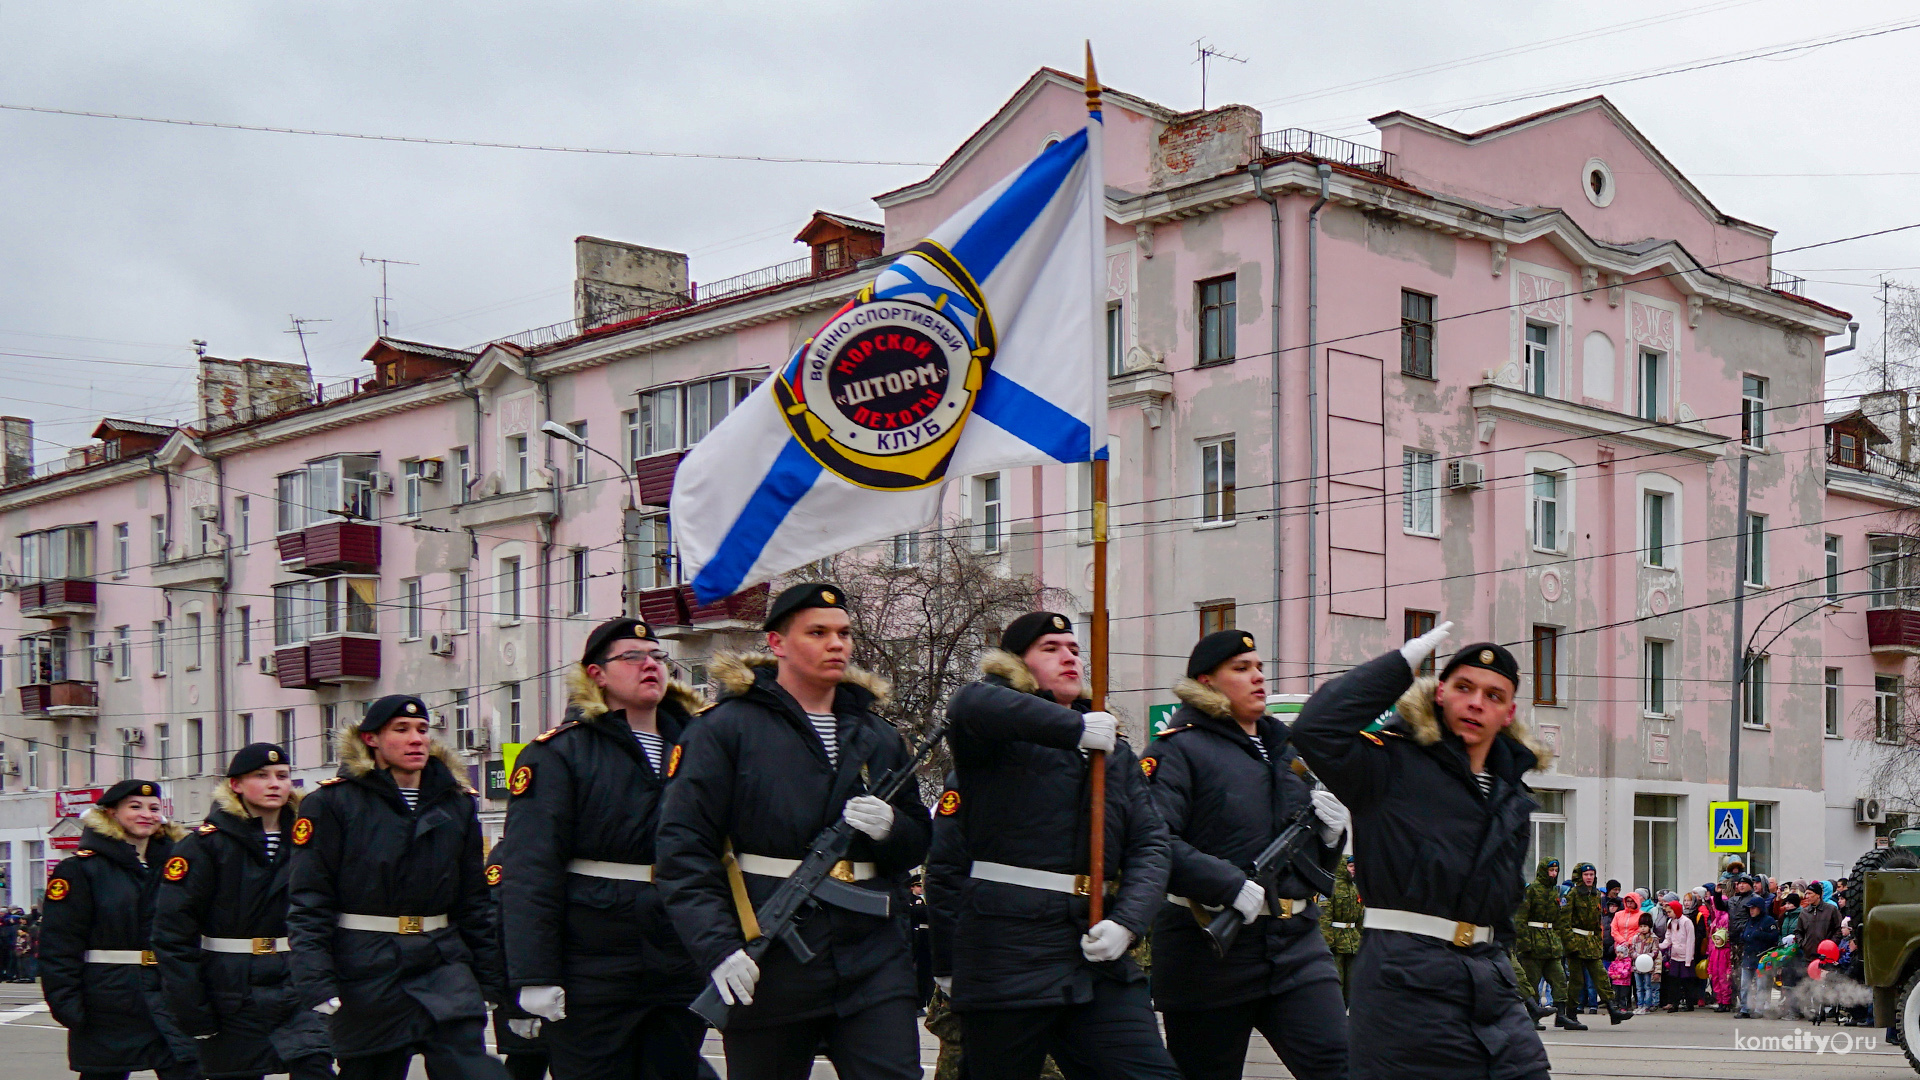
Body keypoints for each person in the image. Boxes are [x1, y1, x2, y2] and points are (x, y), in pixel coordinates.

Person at [656, 583, 932, 1080]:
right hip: (772, 951)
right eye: (818, 632)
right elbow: (683, 852)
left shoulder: (878, 734)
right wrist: (718, 947)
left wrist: (892, 829)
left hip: (872, 956)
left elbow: (918, 841)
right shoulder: (725, 729)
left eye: (844, 633)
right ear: (778, 643)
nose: (837, 645)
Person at [1290, 622, 1551, 1080]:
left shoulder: (1512, 794)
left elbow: (1502, 905)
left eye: (1493, 695)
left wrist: (1505, 976)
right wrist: (1400, 665)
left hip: (1488, 985)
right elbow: (1315, 729)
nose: (1476, 702)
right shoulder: (1388, 764)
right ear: (1438, 693)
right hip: (1404, 982)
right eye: (1464, 687)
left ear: (1508, 714)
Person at [935, 610, 1176, 1080]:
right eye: (1050, 649)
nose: (1069, 657)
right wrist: (1072, 729)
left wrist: (1128, 923)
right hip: (1009, 955)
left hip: (1093, 954)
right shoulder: (992, 737)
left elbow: (1151, 845)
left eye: (1074, 650)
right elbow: (969, 705)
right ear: (1016, 666)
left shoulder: (1114, 754)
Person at [501, 617, 707, 1080]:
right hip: (593, 962)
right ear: (596, 674)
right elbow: (531, 873)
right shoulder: (559, 753)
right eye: (632, 657)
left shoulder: (697, 747)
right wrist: (533, 974)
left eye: (657, 656)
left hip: (677, 952)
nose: (649, 665)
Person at [1144, 629, 1349, 1080]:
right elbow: (1153, 842)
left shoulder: (1285, 752)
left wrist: (1332, 840)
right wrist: (1227, 883)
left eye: (1258, 666)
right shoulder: (1177, 749)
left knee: (1342, 1066)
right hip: (1210, 953)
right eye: (1241, 668)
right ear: (1207, 682)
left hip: (1297, 945)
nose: (1258, 676)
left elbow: (1306, 864)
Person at [288, 694, 507, 1080]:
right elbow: (310, 900)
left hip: (441, 961)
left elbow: (474, 899)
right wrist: (316, 980)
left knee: (473, 1070)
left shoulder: (456, 804)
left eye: (422, 730)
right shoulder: (332, 803)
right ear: (372, 739)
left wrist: (489, 976)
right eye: (401, 730)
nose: (416, 739)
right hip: (368, 968)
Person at [153, 743, 333, 1080]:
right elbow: (173, 935)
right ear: (235, 785)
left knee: (315, 1066)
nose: (275, 783)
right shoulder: (203, 846)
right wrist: (192, 1007)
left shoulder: (309, 839)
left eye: (282, 776)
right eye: (261, 776)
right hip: (230, 985)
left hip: (294, 978)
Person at [40, 779, 200, 1080]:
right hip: (108, 1000)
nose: (146, 814)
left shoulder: (176, 867)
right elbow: (59, 943)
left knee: (187, 1070)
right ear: (111, 813)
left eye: (154, 808)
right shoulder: (80, 870)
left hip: (168, 994)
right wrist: (67, 1003)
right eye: (135, 807)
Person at [487, 839, 550, 1080]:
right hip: (523, 993)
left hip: (573, 992)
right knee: (526, 1065)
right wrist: (515, 1007)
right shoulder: (510, 852)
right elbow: (498, 931)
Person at [1514, 858, 1579, 1030]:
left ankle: (1562, 1015)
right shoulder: (1532, 890)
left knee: (1559, 979)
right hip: (1534, 942)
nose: (1554, 874)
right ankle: (1532, 1016)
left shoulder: (1554, 892)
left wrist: (1559, 941)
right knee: (1532, 980)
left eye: (1556, 871)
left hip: (1550, 943)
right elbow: (1521, 919)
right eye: (1551, 870)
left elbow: (1557, 920)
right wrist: (1525, 944)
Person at [1560, 864, 1627, 1023]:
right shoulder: (1573, 895)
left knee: (1601, 976)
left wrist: (1598, 941)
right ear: (1580, 876)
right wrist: (1570, 945)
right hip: (1576, 941)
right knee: (1576, 980)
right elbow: (1564, 922)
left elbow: (1598, 922)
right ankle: (1569, 1014)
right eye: (1586, 874)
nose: (1589, 877)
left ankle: (1613, 1010)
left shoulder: (1597, 895)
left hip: (1592, 943)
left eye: (1592, 874)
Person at [1319, 856, 1362, 1002]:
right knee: (1337, 978)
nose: (1353, 870)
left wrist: (1362, 939)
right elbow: (1324, 917)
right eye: (1350, 866)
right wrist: (1328, 943)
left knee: (1353, 980)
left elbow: (1360, 916)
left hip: (1352, 941)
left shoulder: (1356, 888)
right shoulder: (1330, 886)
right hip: (1336, 942)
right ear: (1343, 867)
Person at [1736, 895, 1778, 1019]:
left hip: (1762, 958)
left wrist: (1759, 934)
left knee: (1761, 985)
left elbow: (1774, 937)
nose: (1751, 910)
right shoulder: (1749, 921)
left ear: (1760, 908)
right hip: (1748, 957)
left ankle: (1759, 1009)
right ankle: (1745, 1008)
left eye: (1754, 908)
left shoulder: (1768, 921)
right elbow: (1745, 935)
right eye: (1750, 908)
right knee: (1745, 985)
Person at [1660, 897, 1695, 1012]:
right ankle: (1674, 1003)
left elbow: (1690, 941)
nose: (1668, 914)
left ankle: (1690, 1004)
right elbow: (1668, 940)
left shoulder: (1686, 922)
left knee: (1687, 982)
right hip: (1675, 957)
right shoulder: (1671, 922)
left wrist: (1688, 959)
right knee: (1674, 981)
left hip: (1685, 957)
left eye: (1670, 912)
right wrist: (1658, 945)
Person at [1628, 914, 1661, 1013]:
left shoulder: (1654, 938)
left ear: (1649, 926)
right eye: (1641, 926)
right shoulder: (1635, 938)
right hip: (1637, 967)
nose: (1643, 929)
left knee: (1647, 986)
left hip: (1648, 967)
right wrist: (1637, 956)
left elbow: (1655, 952)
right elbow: (1631, 951)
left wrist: (1646, 957)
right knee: (1639, 987)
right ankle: (1639, 1005)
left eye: (1645, 926)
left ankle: (1647, 1005)